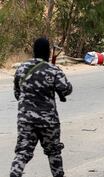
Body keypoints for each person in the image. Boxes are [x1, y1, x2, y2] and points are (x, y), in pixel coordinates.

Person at [10, 38, 73, 177]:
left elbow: (17, 94)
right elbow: (66, 89)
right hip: (48, 121)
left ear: (34, 51)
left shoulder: (21, 68)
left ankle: (14, 173)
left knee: (22, 153)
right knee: (54, 153)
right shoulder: (53, 70)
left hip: (25, 120)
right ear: (48, 52)